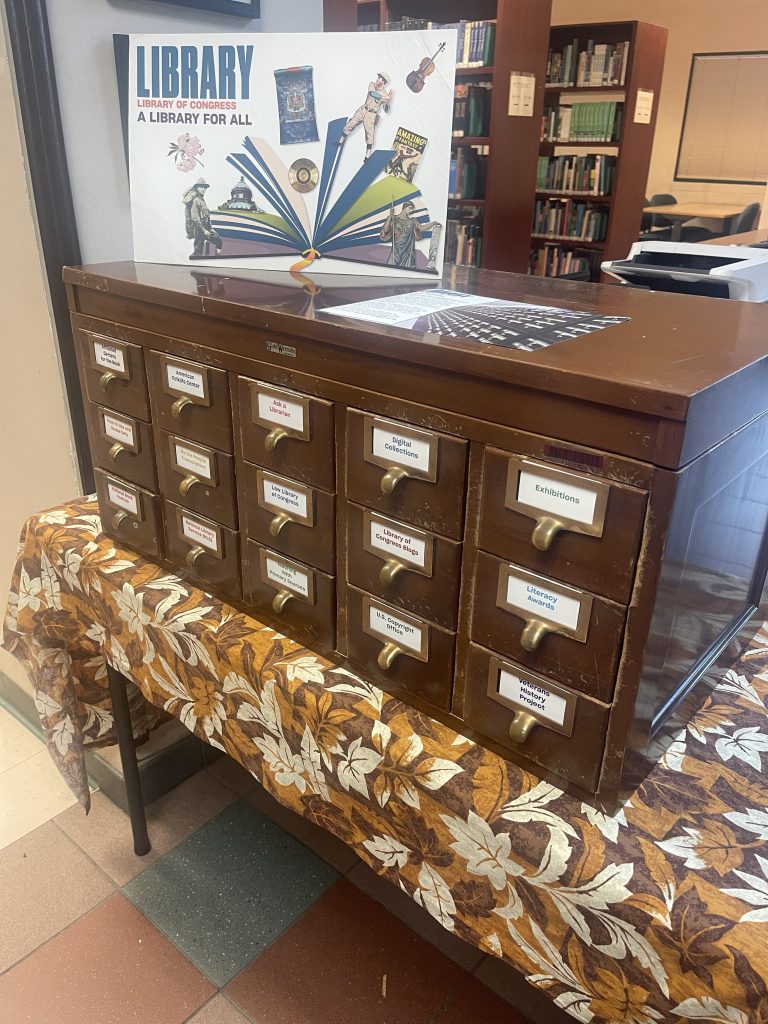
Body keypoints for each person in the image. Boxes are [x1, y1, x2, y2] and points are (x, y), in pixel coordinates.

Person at [338, 74, 393, 163]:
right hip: (363, 110)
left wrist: (388, 102)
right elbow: (372, 93)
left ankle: (367, 156)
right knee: (349, 125)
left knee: (370, 135)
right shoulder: (372, 85)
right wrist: (385, 97)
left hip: (371, 115)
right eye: (378, 77)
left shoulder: (385, 94)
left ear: (383, 81)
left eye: (380, 78)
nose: (377, 79)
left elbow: (386, 110)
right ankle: (340, 142)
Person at [182, 178, 223, 259]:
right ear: (197, 188)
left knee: (219, 241)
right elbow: (195, 218)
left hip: (206, 228)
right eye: (201, 187)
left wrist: (210, 228)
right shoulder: (196, 200)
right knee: (198, 252)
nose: (203, 189)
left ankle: (218, 257)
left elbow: (206, 215)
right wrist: (204, 231)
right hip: (199, 229)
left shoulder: (202, 200)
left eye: (205, 187)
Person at [380, 201, 422, 268]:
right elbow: (386, 230)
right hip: (396, 251)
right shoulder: (394, 219)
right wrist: (390, 216)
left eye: (412, 209)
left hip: (407, 253)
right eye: (410, 208)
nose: (411, 210)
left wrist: (433, 223)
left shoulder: (412, 221)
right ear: (404, 207)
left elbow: (421, 228)